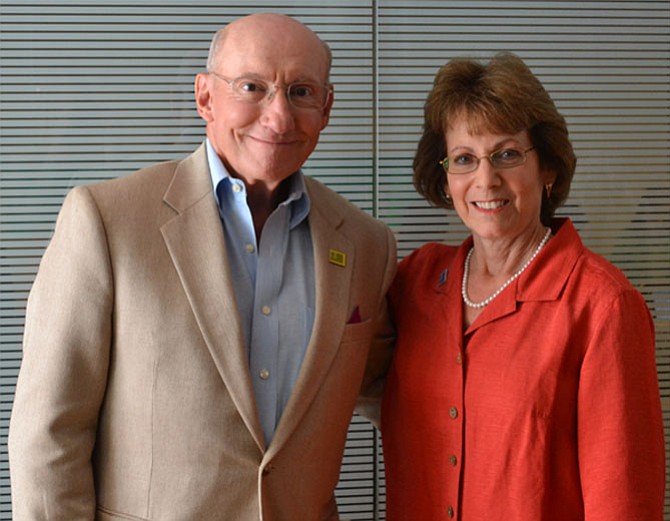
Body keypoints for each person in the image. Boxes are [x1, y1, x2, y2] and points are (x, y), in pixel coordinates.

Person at [9, 13, 396, 520]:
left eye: (301, 92)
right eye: (252, 87)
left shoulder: (367, 245)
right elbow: (48, 432)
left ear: (326, 107)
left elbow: (401, 396)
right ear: (205, 97)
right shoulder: (106, 221)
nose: (278, 116)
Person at [381, 52, 665, 520]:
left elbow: (624, 503)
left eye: (507, 154)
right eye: (464, 159)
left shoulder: (602, 306)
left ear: (547, 169)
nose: (486, 179)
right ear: (446, 177)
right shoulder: (416, 282)